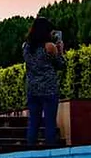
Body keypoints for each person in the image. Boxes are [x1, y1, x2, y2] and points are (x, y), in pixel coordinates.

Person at [24, 17, 65, 146]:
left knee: (33, 122)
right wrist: (60, 51)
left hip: (32, 88)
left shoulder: (26, 47)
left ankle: (30, 149)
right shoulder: (50, 47)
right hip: (49, 88)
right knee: (50, 122)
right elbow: (61, 65)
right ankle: (50, 149)